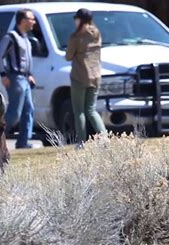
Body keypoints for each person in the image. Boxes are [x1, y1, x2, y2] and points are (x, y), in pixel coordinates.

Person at [0, 9, 36, 149]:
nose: (33, 22)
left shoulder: (26, 38)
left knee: (28, 110)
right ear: (22, 20)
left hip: (25, 78)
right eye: (31, 19)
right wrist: (3, 75)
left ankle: (23, 142)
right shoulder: (11, 37)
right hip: (16, 78)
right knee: (14, 113)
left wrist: (29, 74)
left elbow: (26, 60)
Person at [65, 8, 106, 147]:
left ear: (79, 20)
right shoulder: (97, 33)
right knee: (91, 110)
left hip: (79, 76)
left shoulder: (75, 37)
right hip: (96, 76)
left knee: (79, 111)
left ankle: (81, 142)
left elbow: (68, 56)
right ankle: (104, 137)